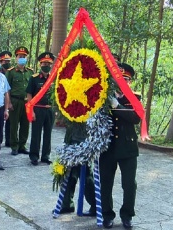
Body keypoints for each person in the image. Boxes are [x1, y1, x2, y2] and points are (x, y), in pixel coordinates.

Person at [100, 63, 140, 229]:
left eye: (126, 79)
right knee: (106, 183)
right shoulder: (104, 97)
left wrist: (117, 106)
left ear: (129, 81)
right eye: (119, 78)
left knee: (129, 184)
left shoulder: (134, 98)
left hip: (127, 148)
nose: (122, 81)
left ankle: (127, 215)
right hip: (107, 147)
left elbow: (135, 118)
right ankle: (107, 215)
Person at [58, 123, 96, 216]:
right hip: (71, 137)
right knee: (68, 172)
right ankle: (67, 204)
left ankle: (95, 205)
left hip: (85, 139)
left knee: (86, 176)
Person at [26, 52, 55, 166]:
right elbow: (29, 94)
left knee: (48, 133)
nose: (46, 65)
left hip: (50, 110)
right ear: (40, 64)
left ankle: (45, 156)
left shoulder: (53, 78)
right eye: (44, 63)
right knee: (36, 134)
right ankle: (34, 156)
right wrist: (31, 110)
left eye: (48, 63)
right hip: (38, 109)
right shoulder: (34, 78)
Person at [6, 46, 33, 155]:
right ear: (16, 58)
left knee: (25, 125)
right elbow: (7, 89)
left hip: (27, 102)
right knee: (14, 125)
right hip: (15, 101)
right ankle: (14, 146)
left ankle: (22, 145)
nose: (22, 58)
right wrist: (8, 103)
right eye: (20, 56)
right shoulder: (11, 72)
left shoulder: (30, 72)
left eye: (24, 56)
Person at [0, 51, 12, 147]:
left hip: (8, 99)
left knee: (9, 121)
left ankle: (8, 140)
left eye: (8, 61)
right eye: (4, 62)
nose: (7, 63)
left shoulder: (12, 72)